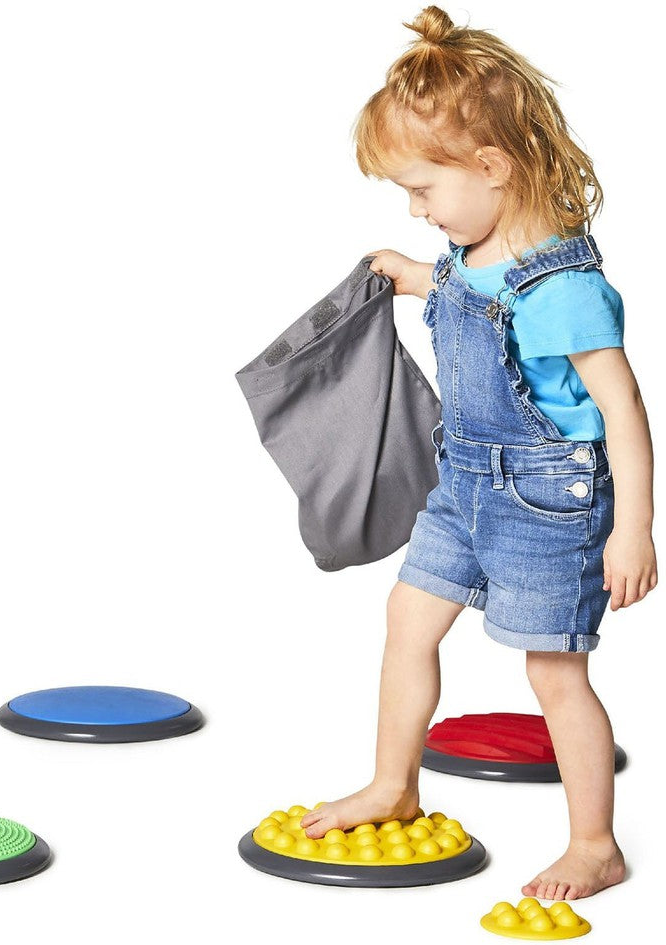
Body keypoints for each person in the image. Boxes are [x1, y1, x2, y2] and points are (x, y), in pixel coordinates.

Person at [300, 6, 657, 901]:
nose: (416, 209)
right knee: (407, 618)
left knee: (553, 671)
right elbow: (469, 295)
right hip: (462, 483)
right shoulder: (471, 248)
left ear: (492, 168)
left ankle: (594, 844)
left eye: (423, 190)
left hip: (548, 500)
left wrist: (634, 529)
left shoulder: (565, 286)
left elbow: (622, 407)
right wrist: (414, 274)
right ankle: (393, 783)